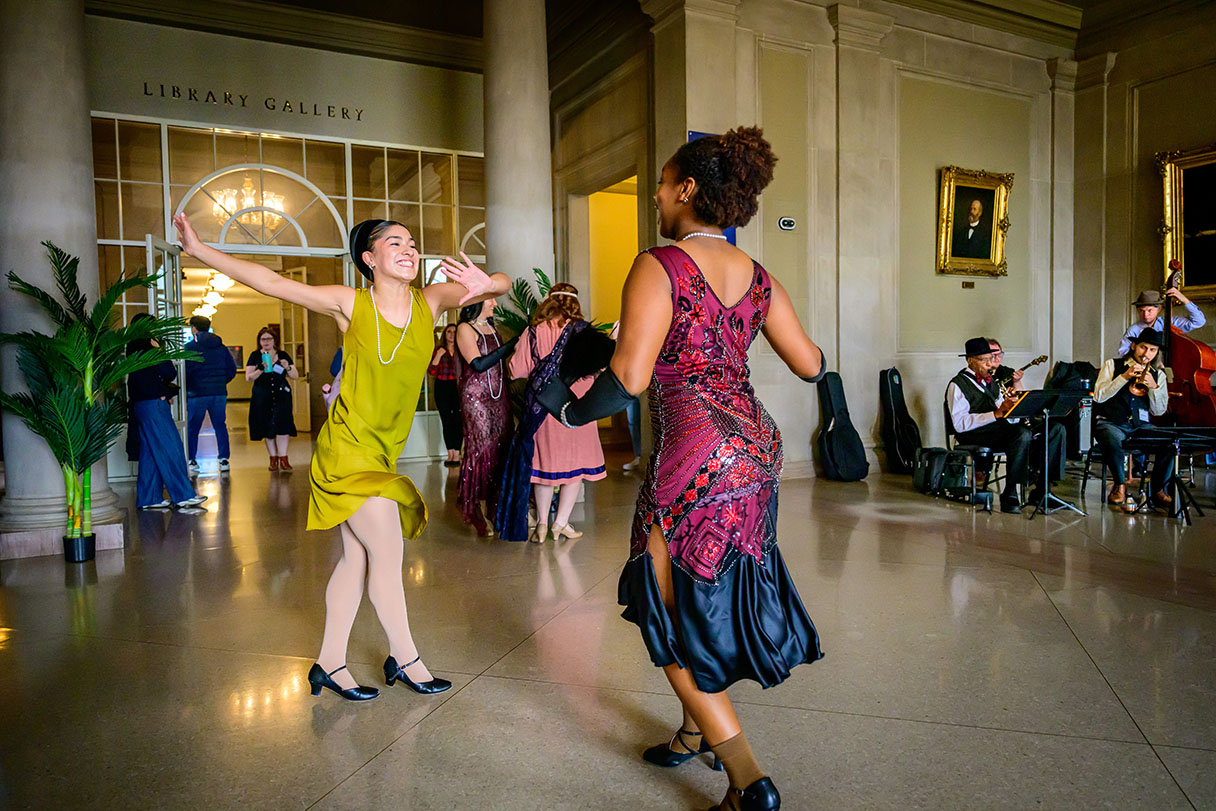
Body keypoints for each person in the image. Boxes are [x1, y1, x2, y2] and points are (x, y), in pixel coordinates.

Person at [540, 127, 823, 811]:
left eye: (664, 184)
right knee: (706, 590)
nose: (659, 196)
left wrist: (569, 413)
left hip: (694, 453)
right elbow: (812, 362)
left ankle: (748, 778)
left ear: (687, 189)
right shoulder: (756, 275)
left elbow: (630, 378)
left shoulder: (659, 263)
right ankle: (693, 732)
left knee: (667, 611)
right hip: (756, 449)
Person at [173, 211, 508, 701]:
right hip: (347, 451)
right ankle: (406, 658)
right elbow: (270, 282)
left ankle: (329, 663)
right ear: (370, 259)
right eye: (396, 243)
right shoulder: (350, 304)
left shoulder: (431, 302)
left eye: (413, 243)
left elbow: (503, 281)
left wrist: (488, 281)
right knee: (387, 553)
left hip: (381, 453)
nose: (409, 250)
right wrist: (201, 252)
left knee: (355, 561)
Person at [500, 284, 606, 544]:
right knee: (576, 468)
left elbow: (517, 370)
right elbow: (598, 368)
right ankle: (561, 524)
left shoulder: (533, 331)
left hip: (543, 409)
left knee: (545, 468)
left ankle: (542, 524)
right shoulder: (583, 333)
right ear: (575, 305)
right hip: (576, 407)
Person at [946, 336, 1065, 514]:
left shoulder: (992, 382)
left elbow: (1006, 417)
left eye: (992, 359)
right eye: (985, 360)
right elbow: (960, 424)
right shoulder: (957, 385)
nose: (990, 364)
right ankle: (1010, 490)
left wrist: (1012, 406)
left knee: (1055, 429)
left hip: (1000, 431)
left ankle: (1042, 490)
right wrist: (996, 413)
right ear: (970, 360)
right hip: (974, 434)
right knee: (1020, 434)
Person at [126, 313, 206, 511]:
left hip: (141, 406)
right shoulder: (150, 350)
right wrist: (159, 349)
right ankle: (183, 495)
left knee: (150, 453)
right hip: (154, 406)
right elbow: (169, 371)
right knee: (172, 449)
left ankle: (148, 498)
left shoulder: (132, 350)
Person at [454, 297, 514, 536]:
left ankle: (495, 507)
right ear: (477, 301)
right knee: (480, 449)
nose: (495, 303)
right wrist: (508, 347)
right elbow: (477, 364)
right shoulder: (464, 328)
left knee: (501, 448)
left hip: (499, 394)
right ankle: (473, 508)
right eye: (491, 298)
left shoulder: (492, 327)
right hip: (476, 396)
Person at [1093, 329, 1173, 508]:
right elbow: (1098, 396)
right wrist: (1124, 377)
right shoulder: (1112, 365)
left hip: (1139, 426)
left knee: (1170, 442)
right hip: (1111, 422)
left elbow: (1158, 411)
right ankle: (1119, 486)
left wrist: (1153, 387)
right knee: (1112, 438)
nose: (1146, 354)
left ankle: (1158, 489)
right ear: (1133, 345)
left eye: (1152, 350)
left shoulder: (1158, 375)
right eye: (1143, 348)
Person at [184, 315, 237, 474]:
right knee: (220, 425)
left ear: (194, 328)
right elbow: (231, 370)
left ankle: (192, 460)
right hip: (218, 393)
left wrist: (188, 386)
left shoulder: (190, 348)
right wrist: (220, 382)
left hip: (197, 393)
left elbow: (185, 371)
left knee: (193, 428)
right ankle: (224, 460)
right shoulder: (221, 348)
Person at [246, 327, 299, 471]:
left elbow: (295, 375)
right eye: (263, 339)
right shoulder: (255, 355)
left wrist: (287, 367)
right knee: (267, 427)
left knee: (283, 426)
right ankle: (273, 459)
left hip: (282, 396)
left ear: (275, 340)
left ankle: (284, 458)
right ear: (259, 341)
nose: (266, 342)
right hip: (262, 396)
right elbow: (248, 377)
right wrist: (260, 369)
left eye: (269, 339)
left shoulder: (282, 355)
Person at [1116, 286, 1205, 356]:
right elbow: (1123, 353)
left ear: (1159, 309)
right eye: (1142, 311)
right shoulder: (1133, 330)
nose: (1145, 315)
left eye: (1149, 310)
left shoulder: (1171, 323)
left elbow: (1199, 321)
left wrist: (1184, 299)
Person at [427, 323, 463, 467]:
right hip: (442, 387)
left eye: (454, 332)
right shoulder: (439, 350)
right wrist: (439, 355)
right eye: (449, 331)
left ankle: (457, 453)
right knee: (447, 421)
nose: (451, 334)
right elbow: (431, 371)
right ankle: (450, 454)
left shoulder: (461, 351)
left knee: (458, 421)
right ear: (445, 334)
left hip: (458, 387)